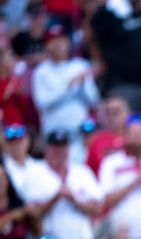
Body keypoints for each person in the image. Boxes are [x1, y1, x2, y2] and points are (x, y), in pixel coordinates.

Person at [24, 130, 104, 239]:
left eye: (62, 147)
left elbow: (97, 207)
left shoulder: (82, 172)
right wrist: (55, 197)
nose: (59, 152)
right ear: (47, 149)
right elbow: (30, 212)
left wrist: (74, 199)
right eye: (55, 147)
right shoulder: (34, 172)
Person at [31, 24, 100, 161]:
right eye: (54, 41)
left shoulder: (80, 65)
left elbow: (94, 100)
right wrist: (69, 85)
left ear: (68, 43)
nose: (59, 45)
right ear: (47, 45)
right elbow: (41, 102)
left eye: (62, 40)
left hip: (78, 134)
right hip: (53, 135)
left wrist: (84, 83)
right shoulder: (41, 71)